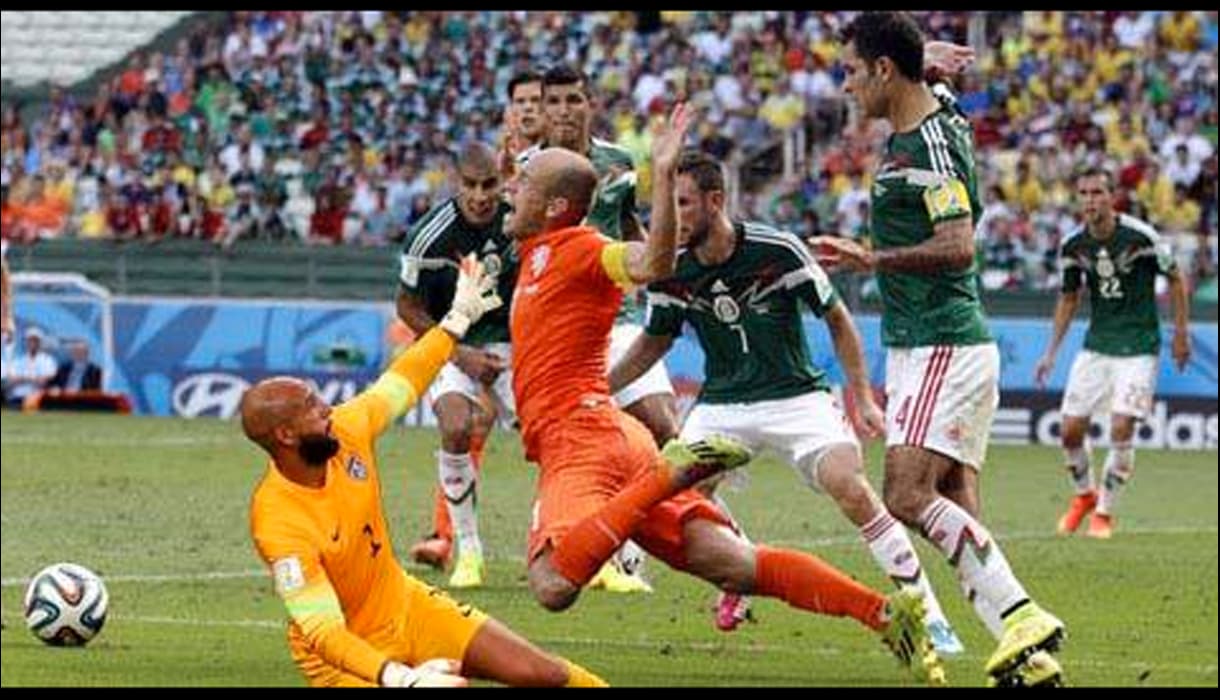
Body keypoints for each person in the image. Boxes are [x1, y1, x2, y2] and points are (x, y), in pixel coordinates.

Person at [503, 105, 944, 686]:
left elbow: (653, 262)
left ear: (556, 206)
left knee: (553, 584)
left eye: (524, 183)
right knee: (734, 565)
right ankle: (887, 615)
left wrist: (659, 176)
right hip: (613, 435)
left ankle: (665, 476)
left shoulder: (583, 248)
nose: (512, 187)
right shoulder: (536, 252)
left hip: (582, 439)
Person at [609, 148, 964, 655]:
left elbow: (837, 317)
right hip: (724, 406)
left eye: (683, 203)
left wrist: (860, 395)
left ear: (716, 200)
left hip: (798, 398)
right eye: (666, 203)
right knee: (671, 496)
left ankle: (928, 612)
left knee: (852, 488)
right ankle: (737, 573)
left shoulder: (777, 250)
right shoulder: (670, 269)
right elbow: (654, 341)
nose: (672, 216)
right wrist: (603, 388)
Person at [811, 12, 1065, 687]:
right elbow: (938, 84)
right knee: (955, 500)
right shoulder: (931, 116)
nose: (846, 86)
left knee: (903, 494)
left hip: (940, 341)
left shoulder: (927, 146)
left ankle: (1020, 611)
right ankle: (1026, 659)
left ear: (884, 71)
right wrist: (932, 57)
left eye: (852, 72)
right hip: (930, 345)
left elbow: (959, 243)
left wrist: (872, 259)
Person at [245, 255, 606, 688]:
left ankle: (439, 669)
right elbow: (324, 632)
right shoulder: (277, 522)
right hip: (346, 662)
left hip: (408, 605)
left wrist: (456, 320)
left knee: (543, 673)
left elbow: (404, 379)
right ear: (285, 435)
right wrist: (401, 679)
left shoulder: (346, 429)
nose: (327, 408)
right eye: (310, 407)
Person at [518, 62, 680, 594]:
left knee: (661, 423)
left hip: (619, 309)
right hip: (558, 319)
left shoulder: (618, 163)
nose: (563, 111)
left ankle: (635, 543)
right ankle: (579, 534)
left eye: (573, 101)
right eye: (553, 102)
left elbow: (630, 225)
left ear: (589, 104)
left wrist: (648, 269)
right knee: (575, 438)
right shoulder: (529, 168)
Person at [1034, 167, 1191, 539]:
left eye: (1098, 192)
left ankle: (1103, 513)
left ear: (1112, 196)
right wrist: (1051, 352)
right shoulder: (1073, 245)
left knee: (1121, 424)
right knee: (1070, 430)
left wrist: (1180, 334)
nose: (1090, 200)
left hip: (1139, 346)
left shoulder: (1140, 236)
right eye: (1084, 193)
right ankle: (1083, 496)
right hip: (1097, 345)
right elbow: (1069, 297)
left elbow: (1176, 278)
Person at [396, 142, 518, 589]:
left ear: (501, 181)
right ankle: (468, 551)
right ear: (455, 182)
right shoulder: (431, 235)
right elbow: (407, 308)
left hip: (517, 344)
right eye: (471, 185)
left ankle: (563, 543)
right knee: (454, 425)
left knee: (550, 443)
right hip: (455, 340)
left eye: (489, 185)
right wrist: (458, 353)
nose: (481, 195)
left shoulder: (519, 219)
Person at [498, 69, 546, 179]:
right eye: (520, 101)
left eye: (535, 100)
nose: (527, 107)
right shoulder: (501, 164)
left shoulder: (564, 156)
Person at [3, 327, 58, 409]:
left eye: (35, 340)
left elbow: (43, 381)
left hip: (38, 398)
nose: (32, 343)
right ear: (26, 342)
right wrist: (32, 378)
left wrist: (23, 379)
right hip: (18, 396)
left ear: (40, 342)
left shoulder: (48, 360)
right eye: (29, 340)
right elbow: (12, 380)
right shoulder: (19, 360)